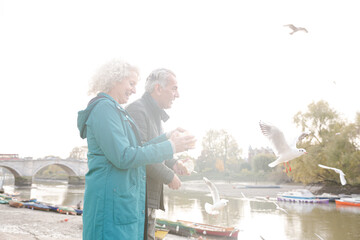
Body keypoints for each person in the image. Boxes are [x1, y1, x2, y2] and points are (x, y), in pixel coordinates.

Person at [77, 59, 195, 240]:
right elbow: (124, 156)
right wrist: (170, 147)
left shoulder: (117, 111)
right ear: (114, 79)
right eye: (131, 83)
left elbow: (137, 149)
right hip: (109, 208)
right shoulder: (104, 109)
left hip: (118, 206)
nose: (134, 89)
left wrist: (167, 138)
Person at [126, 68, 194, 240]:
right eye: (174, 88)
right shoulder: (137, 110)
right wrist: (168, 175)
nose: (177, 94)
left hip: (148, 197)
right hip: (138, 198)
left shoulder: (153, 113)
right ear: (158, 88)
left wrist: (174, 163)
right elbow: (139, 154)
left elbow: (155, 149)